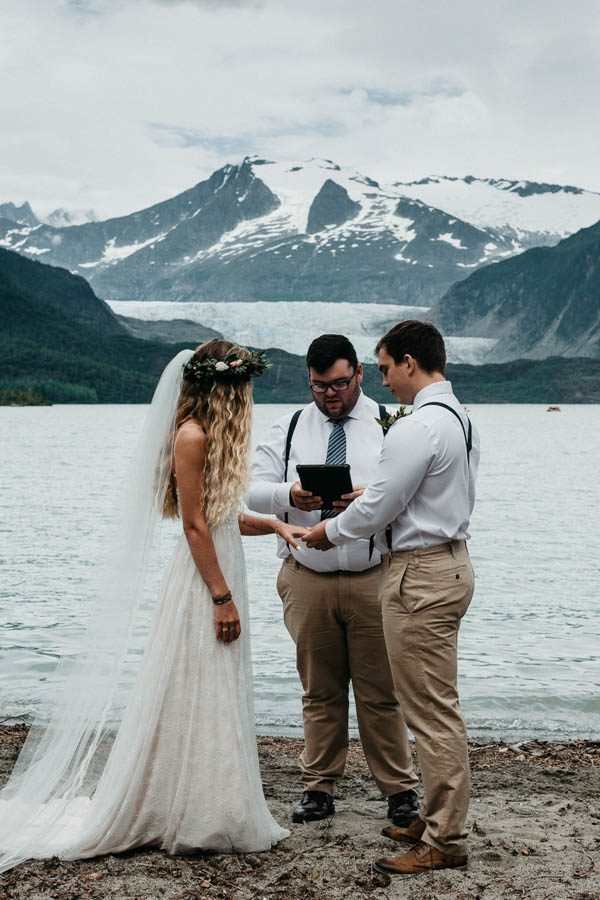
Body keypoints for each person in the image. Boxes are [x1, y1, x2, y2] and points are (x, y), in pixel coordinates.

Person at [0, 339, 305, 872]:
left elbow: (223, 517)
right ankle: (188, 810)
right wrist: (222, 598)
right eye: (242, 388)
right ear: (223, 386)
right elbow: (192, 525)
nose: (246, 398)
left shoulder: (214, 436)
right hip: (204, 581)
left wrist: (276, 523)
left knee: (217, 685)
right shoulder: (191, 435)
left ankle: (214, 801)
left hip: (221, 569)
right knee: (198, 679)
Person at [304, 321, 480, 875]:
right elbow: (415, 493)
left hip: (420, 574)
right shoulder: (460, 419)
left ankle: (445, 840)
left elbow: (378, 510)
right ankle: (430, 818)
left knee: (430, 712)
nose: (382, 380)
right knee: (432, 704)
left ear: (409, 361)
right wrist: (374, 496)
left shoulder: (415, 426)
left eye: (383, 368)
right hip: (450, 562)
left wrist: (325, 533)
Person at [247, 334, 420, 825]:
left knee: (380, 691)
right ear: (310, 381)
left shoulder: (393, 426)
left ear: (360, 375)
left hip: (373, 575)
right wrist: (290, 494)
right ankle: (318, 787)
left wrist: (367, 498)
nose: (330, 394)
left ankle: (399, 791)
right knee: (319, 690)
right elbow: (251, 491)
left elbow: (409, 493)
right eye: (320, 385)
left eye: (340, 384)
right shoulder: (288, 428)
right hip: (307, 576)